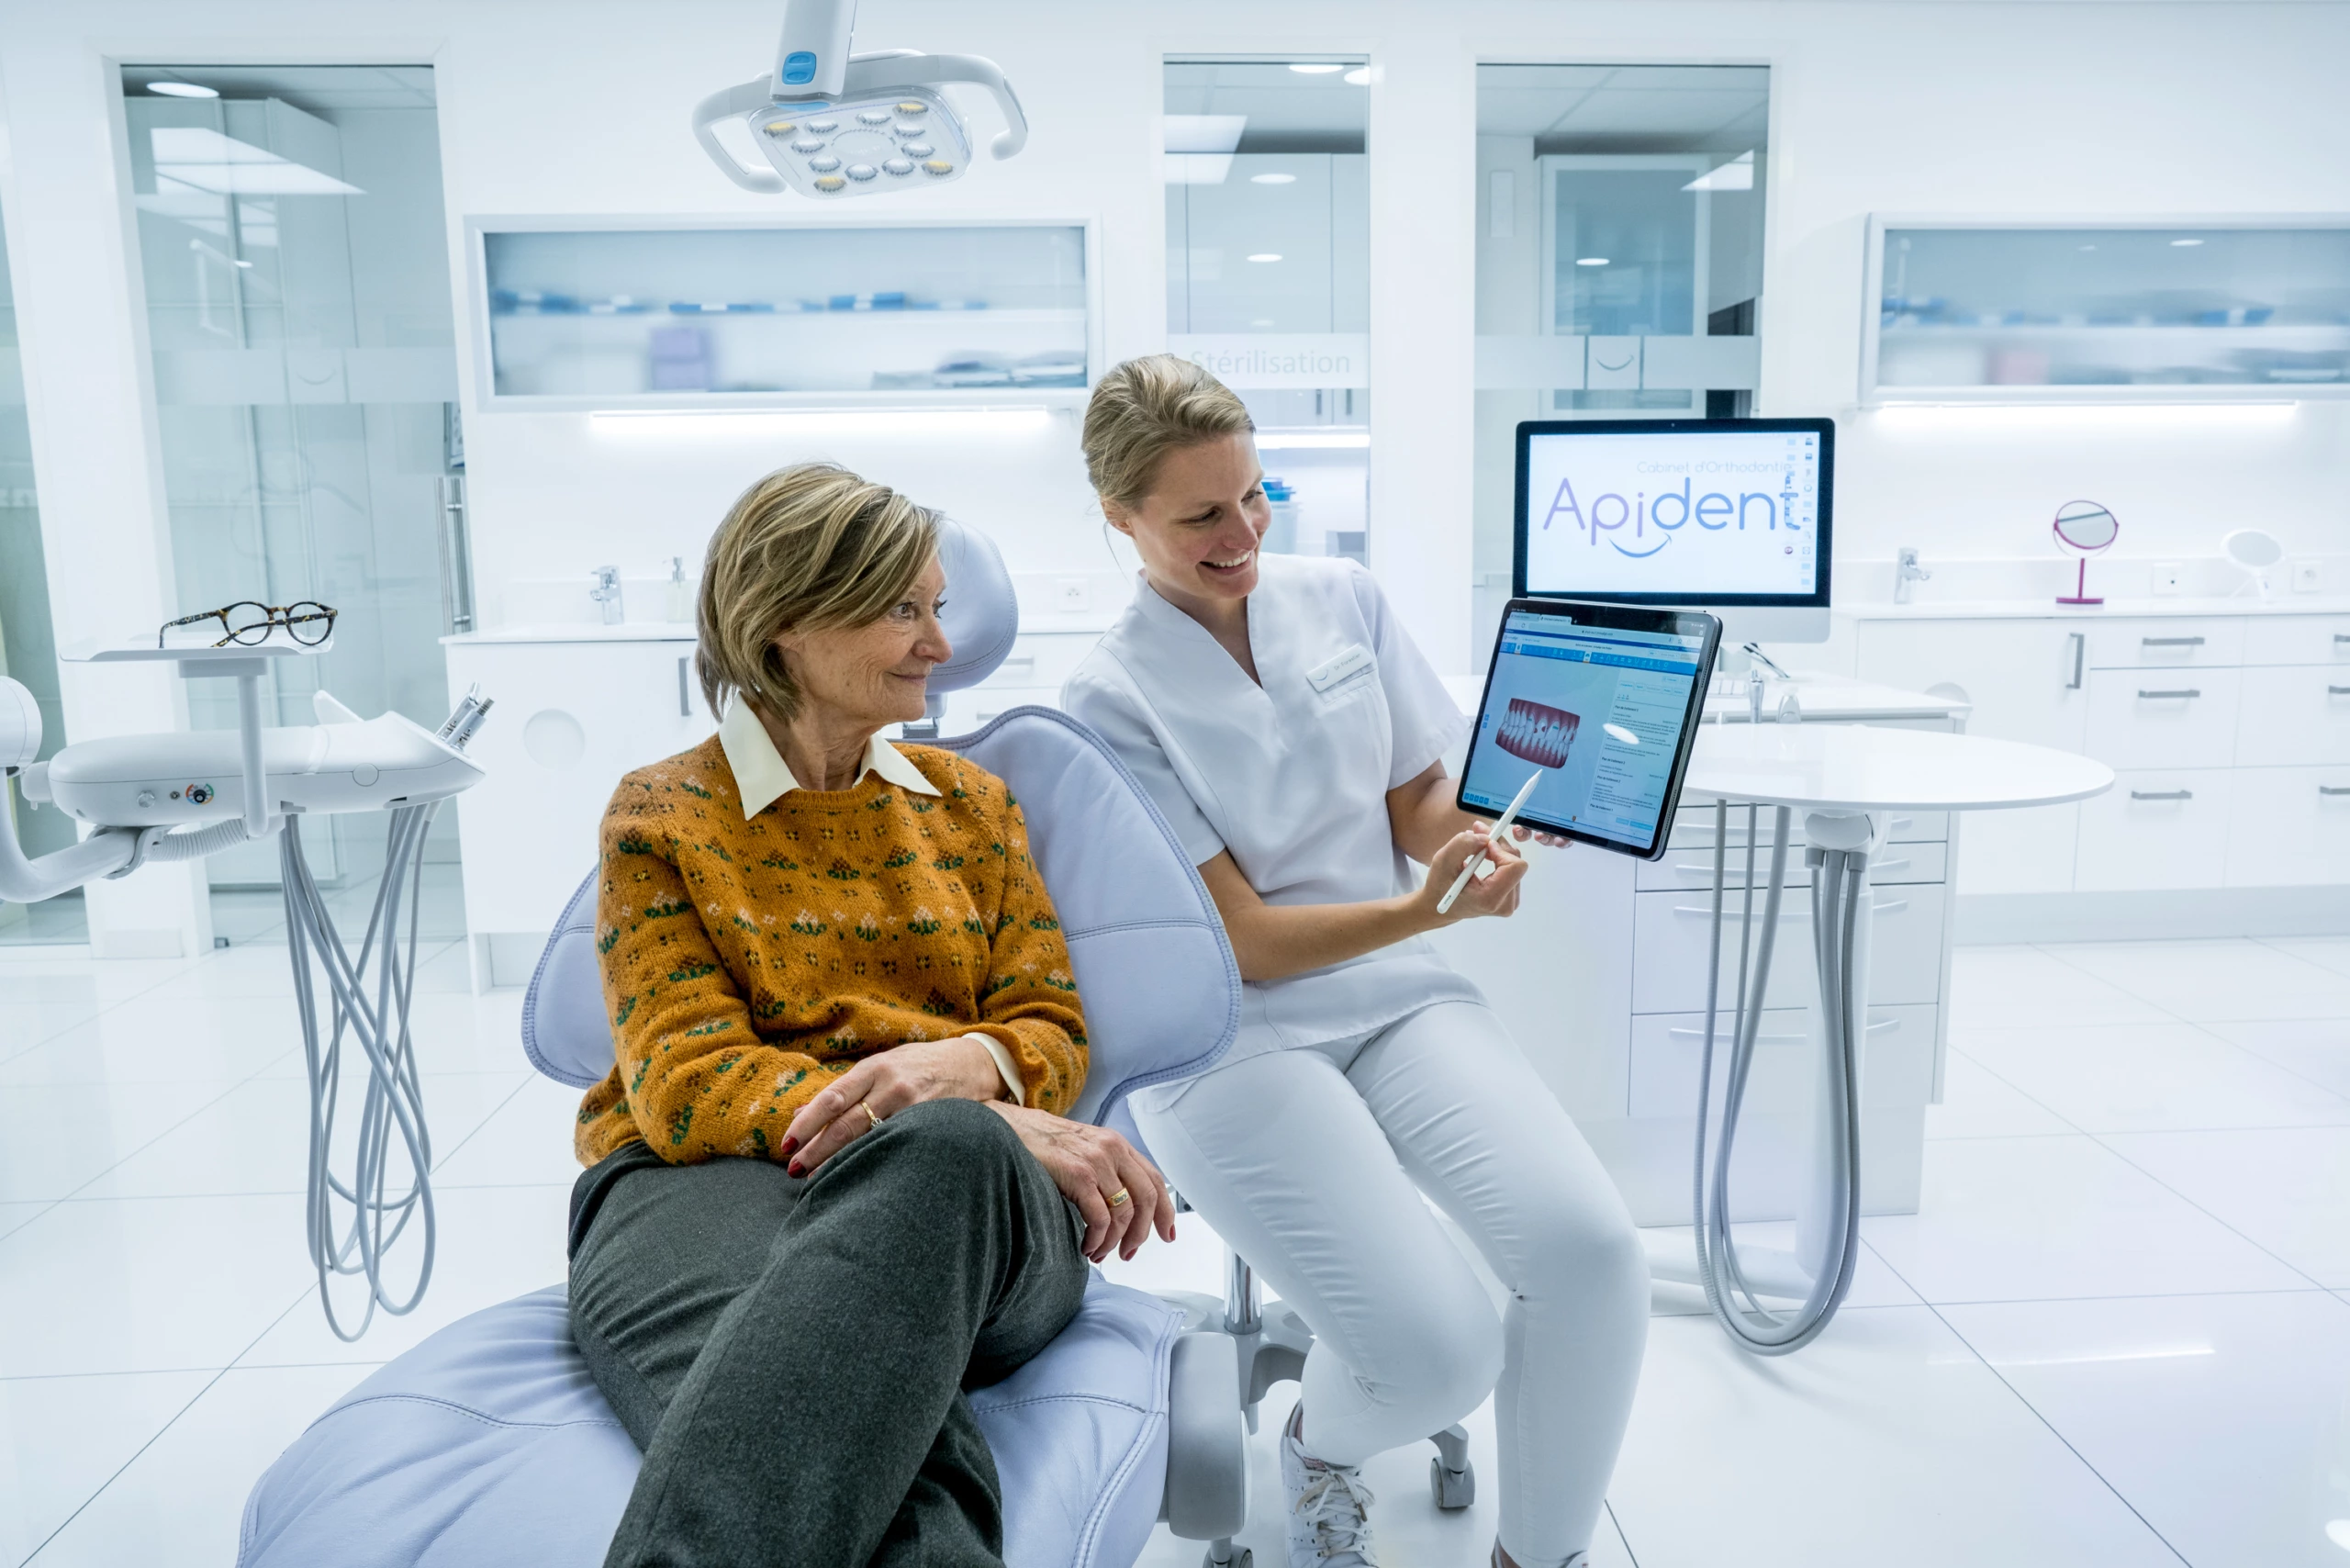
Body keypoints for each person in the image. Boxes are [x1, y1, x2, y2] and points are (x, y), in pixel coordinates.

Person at [1061, 357, 1647, 1568]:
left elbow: (1416, 797)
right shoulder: (1105, 696)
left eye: (1256, 494)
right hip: (1228, 1035)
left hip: (1392, 999)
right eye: (1201, 517)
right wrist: (1432, 913)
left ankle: (1541, 1556)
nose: (1244, 534)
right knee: (1439, 1354)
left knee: (1589, 1255)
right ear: (1121, 517)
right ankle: (1322, 1445)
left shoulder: (1343, 598)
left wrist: (1467, 847)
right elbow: (1249, 941)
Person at [566, 462, 1174, 1568]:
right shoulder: (661, 814)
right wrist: (958, 1107)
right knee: (869, 1444)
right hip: (701, 1185)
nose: (939, 643)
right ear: (784, 617)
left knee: (943, 1150)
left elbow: (1050, 1027)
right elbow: (687, 1083)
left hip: (975, 1213)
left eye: (937, 608)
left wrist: (969, 1095)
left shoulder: (973, 808)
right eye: (905, 608)